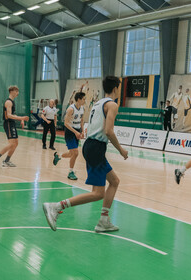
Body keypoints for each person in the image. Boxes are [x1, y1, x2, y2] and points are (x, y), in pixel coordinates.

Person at [43, 76, 128, 232]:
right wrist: (121, 150)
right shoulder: (112, 105)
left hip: (91, 145)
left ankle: (104, 220)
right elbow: (109, 131)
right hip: (96, 147)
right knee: (97, 193)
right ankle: (56, 206)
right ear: (116, 88)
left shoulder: (98, 103)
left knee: (114, 181)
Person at [53, 92, 86, 180]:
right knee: (75, 153)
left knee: (71, 153)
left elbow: (82, 120)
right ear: (79, 99)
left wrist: (82, 131)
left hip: (77, 131)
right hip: (70, 132)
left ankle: (58, 156)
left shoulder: (83, 108)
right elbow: (66, 123)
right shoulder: (71, 109)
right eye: (83, 99)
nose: (84, 101)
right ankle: (70, 172)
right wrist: (75, 132)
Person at [0, 86, 29, 169]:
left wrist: (22, 120)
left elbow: (12, 114)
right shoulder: (8, 102)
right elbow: (9, 116)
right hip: (8, 123)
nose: (18, 93)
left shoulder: (12, 102)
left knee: (16, 143)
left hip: (12, 123)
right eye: (17, 91)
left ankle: (6, 161)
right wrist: (22, 118)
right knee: (11, 143)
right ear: (12, 91)